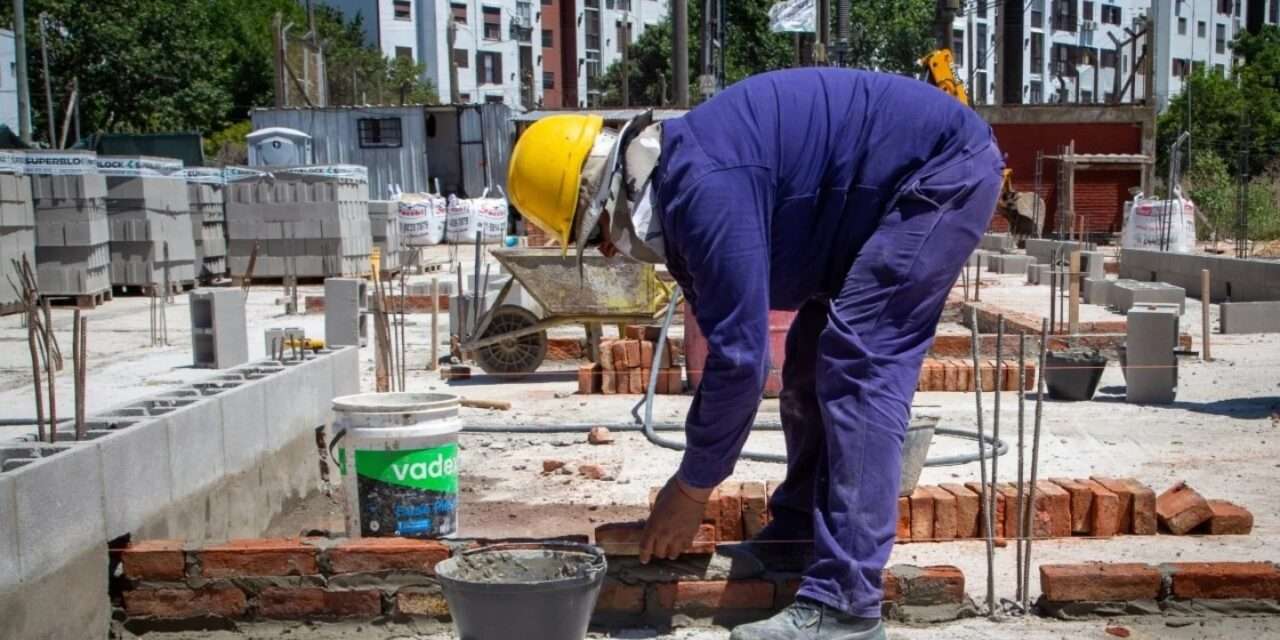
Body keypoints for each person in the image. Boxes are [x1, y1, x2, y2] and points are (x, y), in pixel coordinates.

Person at [506, 68, 1002, 640]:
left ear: (602, 197)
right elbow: (729, 342)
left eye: (597, 236)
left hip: (939, 171)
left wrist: (692, 488)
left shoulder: (700, 188)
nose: (611, 248)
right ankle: (799, 538)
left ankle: (845, 606)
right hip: (869, 195)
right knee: (811, 358)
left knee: (859, 361)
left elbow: (741, 361)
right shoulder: (686, 179)